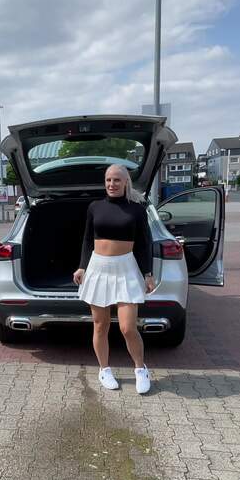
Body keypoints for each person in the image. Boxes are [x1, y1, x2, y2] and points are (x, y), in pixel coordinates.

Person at [73, 164, 155, 394]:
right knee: (100, 325)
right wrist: (82, 267)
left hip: (126, 269)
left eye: (117, 180)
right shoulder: (95, 207)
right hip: (98, 268)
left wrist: (148, 273)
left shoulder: (137, 210)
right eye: (108, 180)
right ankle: (104, 370)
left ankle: (140, 369)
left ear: (126, 182)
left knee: (128, 328)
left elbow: (144, 244)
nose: (112, 184)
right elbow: (88, 240)